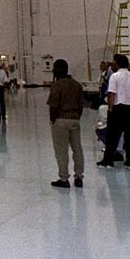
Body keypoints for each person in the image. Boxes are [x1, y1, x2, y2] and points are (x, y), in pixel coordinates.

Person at [97, 53, 130, 168]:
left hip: (118, 108)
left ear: (117, 64)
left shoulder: (115, 77)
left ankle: (108, 160)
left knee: (112, 136)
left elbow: (112, 94)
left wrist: (110, 108)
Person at [47, 58, 85, 188]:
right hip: (75, 119)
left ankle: (63, 178)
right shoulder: (77, 85)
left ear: (58, 70)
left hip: (60, 120)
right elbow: (81, 105)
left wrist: (52, 120)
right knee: (77, 149)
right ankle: (79, 177)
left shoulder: (57, 85)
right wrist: (76, 117)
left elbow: (53, 106)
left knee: (61, 151)